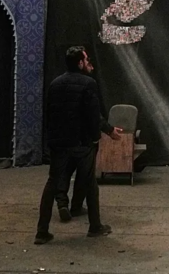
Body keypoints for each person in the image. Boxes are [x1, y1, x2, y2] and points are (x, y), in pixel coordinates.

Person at [35, 46, 121, 245]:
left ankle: (41, 232)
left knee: (52, 184)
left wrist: (52, 141)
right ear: (80, 63)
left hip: (58, 144)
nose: (89, 62)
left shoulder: (55, 84)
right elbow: (93, 115)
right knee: (90, 184)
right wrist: (105, 133)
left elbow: (49, 115)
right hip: (81, 144)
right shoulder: (89, 84)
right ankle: (95, 226)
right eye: (87, 59)